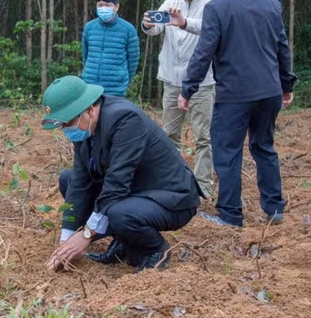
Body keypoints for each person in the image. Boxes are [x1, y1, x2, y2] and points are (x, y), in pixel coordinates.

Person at [180, 0, 296, 228]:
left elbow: (204, 52)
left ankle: (230, 214)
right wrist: (286, 84)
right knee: (264, 146)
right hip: (269, 91)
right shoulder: (271, 4)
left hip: (234, 95)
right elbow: (282, 47)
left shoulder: (216, 7)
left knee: (227, 151)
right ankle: (275, 208)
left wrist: (187, 89)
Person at [43, 76, 200, 272]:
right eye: (62, 125)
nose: (66, 130)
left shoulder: (125, 119)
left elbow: (117, 183)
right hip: (133, 189)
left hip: (169, 197)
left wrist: (86, 235)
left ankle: (156, 250)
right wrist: (66, 239)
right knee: (68, 179)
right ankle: (124, 242)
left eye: (68, 123)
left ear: (89, 109)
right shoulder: (86, 126)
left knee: (119, 213)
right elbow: (80, 181)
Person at [142, 0, 216, 198]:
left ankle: (203, 187)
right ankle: (173, 181)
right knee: (169, 134)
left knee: (203, 137)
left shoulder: (212, 7)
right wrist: (148, 25)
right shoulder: (170, 4)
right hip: (172, 81)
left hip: (202, 83)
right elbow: (156, 29)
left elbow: (210, 29)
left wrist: (184, 23)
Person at [80, 0, 140, 97]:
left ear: (116, 7)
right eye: (100, 5)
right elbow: (85, 55)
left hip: (116, 89)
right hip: (90, 86)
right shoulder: (89, 27)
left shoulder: (128, 29)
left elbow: (133, 60)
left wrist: (123, 81)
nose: (103, 8)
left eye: (107, 5)